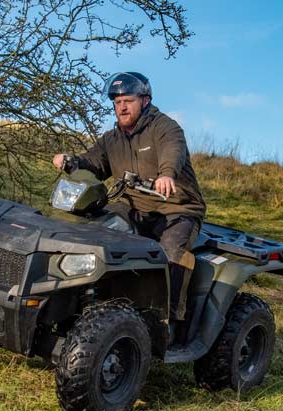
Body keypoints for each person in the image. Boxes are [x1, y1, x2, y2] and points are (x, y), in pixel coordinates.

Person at [52, 72, 206, 339]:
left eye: (128, 100)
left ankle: (169, 321)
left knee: (170, 254)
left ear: (145, 100)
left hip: (177, 209)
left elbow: (173, 150)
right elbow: (94, 163)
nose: (121, 107)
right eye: (117, 101)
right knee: (97, 235)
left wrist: (167, 174)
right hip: (132, 206)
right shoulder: (112, 138)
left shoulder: (165, 128)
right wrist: (70, 161)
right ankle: (84, 306)